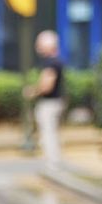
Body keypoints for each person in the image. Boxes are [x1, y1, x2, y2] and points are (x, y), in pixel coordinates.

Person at [24, 30, 66, 164]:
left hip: (49, 104)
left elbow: (47, 85)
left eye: (40, 44)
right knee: (49, 133)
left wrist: (32, 91)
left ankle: (53, 163)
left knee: (49, 134)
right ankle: (52, 162)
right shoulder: (56, 61)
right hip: (54, 102)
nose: (38, 47)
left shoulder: (51, 63)